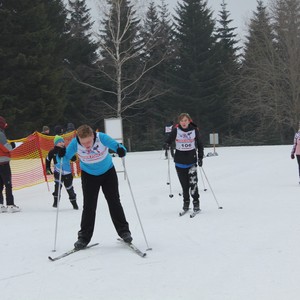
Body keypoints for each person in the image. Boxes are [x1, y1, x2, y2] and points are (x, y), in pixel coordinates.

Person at [57, 124, 132, 249]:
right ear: (78, 139)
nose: (87, 145)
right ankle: (83, 238)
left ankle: (124, 232)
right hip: (89, 175)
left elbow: (120, 148)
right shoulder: (75, 143)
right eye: (84, 142)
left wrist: (120, 150)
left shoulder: (102, 138)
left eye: (89, 141)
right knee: (89, 206)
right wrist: (61, 154)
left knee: (114, 202)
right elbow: (64, 160)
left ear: (93, 135)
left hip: (108, 172)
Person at [165, 113, 204, 213]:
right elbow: (168, 140)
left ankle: (196, 203)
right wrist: (166, 144)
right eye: (182, 120)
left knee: (193, 184)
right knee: (185, 186)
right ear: (179, 122)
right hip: (179, 162)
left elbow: (200, 144)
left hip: (191, 162)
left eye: (185, 120)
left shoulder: (194, 130)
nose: (183, 122)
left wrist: (200, 157)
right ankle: (186, 204)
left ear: (189, 121)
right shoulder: (176, 130)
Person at [45, 135, 78, 209]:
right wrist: (48, 168)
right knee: (57, 187)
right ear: (55, 143)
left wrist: (73, 157)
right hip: (58, 172)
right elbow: (47, 159)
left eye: (62, 141)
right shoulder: (52, 151)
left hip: (67, 173)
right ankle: (56, 201)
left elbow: (73, 157)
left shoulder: (67, 150)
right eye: (59, 142)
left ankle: (74, 203)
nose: (61, 143)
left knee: (69, 188)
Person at [0, 116, 20, 213]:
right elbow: (6, 147)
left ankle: (0, 205)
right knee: (8, 184)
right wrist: (12, 145)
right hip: (3, 162)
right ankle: (10, 204)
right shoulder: (0, 134)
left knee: (0, 184)